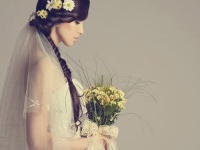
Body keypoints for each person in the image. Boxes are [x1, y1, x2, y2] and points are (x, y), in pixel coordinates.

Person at [0, 0, 107, 149]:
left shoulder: (52, 62)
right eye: (77, 22)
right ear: (58, 18)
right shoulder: (44, 65)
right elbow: (38, 143)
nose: (82, 30)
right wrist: (93, 143)